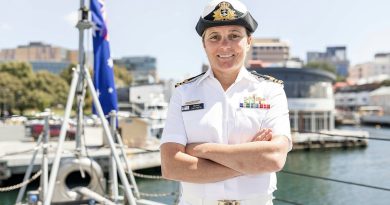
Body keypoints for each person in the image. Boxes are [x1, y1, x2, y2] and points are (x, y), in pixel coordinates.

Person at [160, 0, 292, 204]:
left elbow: (273, 158)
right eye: (214, 37)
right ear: (204, 44)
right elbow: (171, 166)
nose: (224, 45)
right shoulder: (183, 93)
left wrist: (202, 150)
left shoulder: (271, 91)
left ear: (249, 41)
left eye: (234, 35)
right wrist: (250, 162)